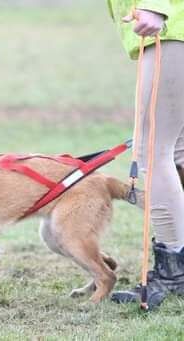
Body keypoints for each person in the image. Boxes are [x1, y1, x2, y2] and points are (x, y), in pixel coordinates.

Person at [106, 0, 184, 308]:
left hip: (172, 26)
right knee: (177, 149)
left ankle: (173, 275)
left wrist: (157, 5)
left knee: (152, 152)